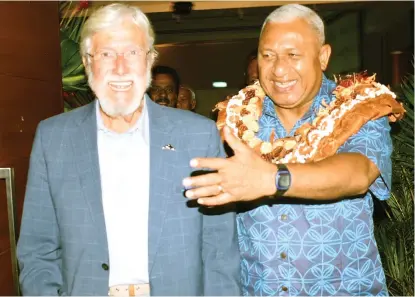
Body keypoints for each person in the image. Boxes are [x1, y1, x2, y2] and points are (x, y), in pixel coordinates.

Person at [16, 3, 240, 296]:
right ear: (87, 62)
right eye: (107, 54)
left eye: (132, 53)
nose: (120, 68)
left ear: (149, 60)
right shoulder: (53, 138)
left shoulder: (197, 135)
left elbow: (220, 252)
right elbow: (37, 250)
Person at [183, 4, 393, 296]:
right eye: (268, 56)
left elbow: (359, 173)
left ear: (323, 57)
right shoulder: (232, 121)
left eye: (293, 55)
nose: (279, 70)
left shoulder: (359, 107)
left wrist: (271, 179)